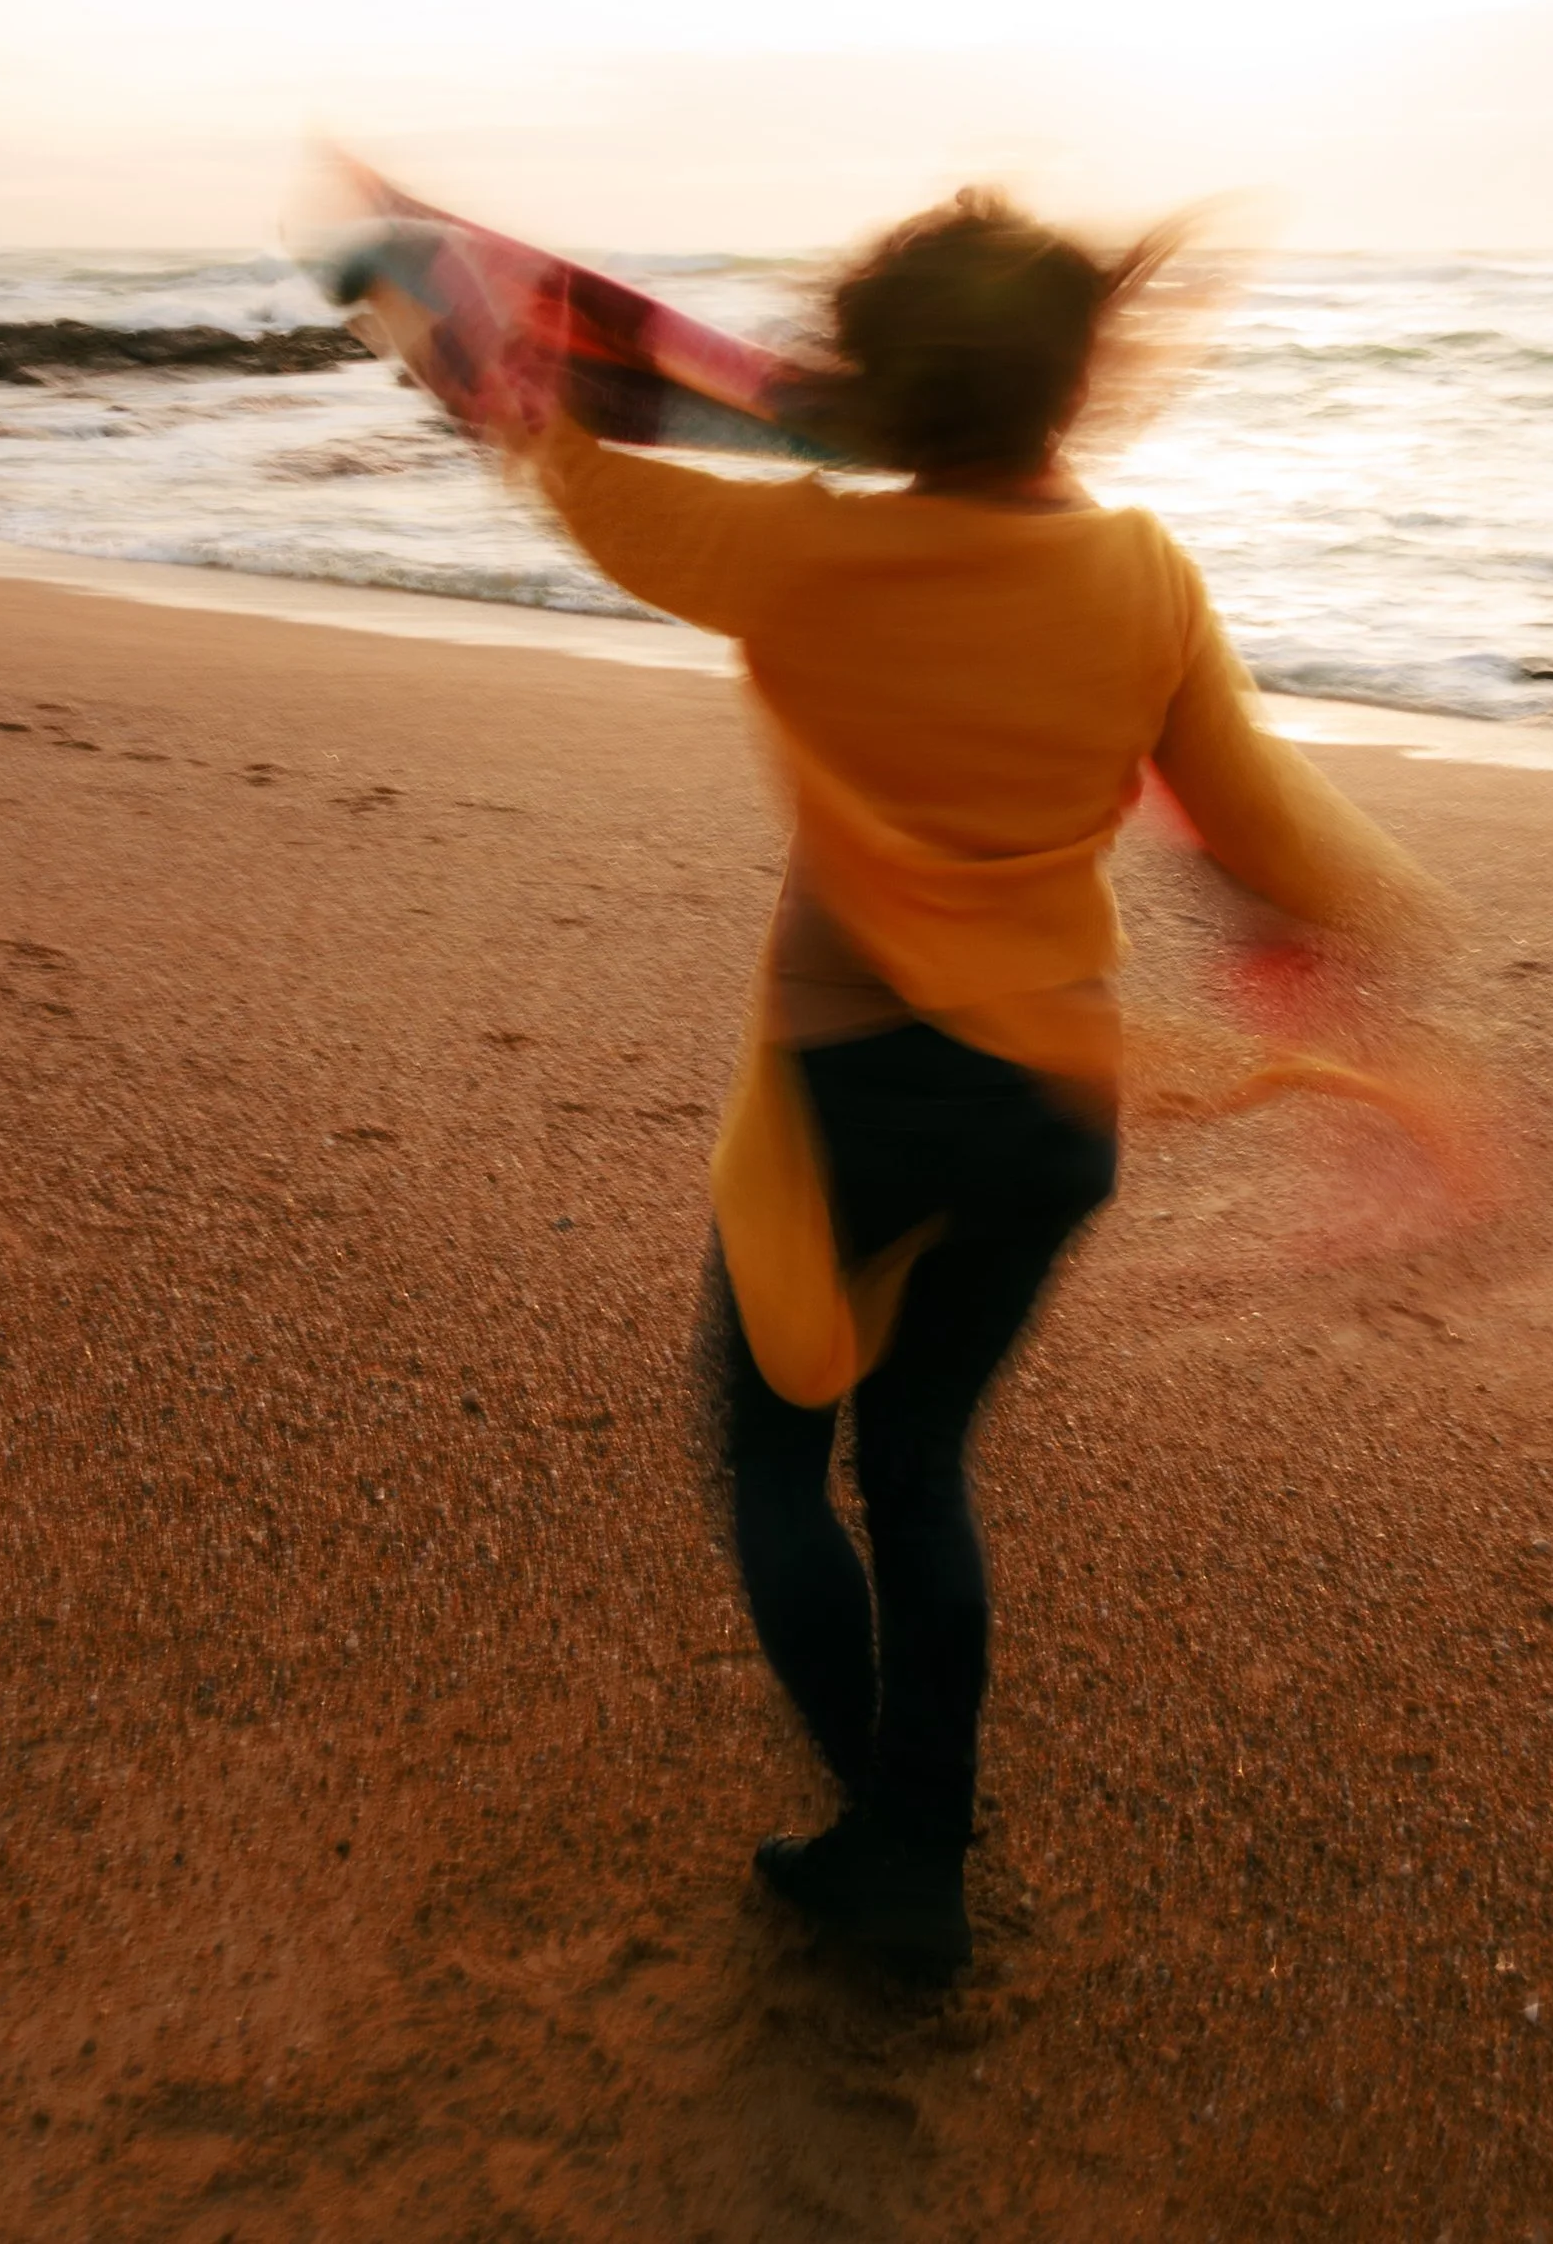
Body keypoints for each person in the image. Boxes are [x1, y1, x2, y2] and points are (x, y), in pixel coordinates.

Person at [504, 192, 1443, 1979]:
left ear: (867, 385)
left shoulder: (796, 557)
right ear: (1075, 387)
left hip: (840, 1096)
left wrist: (516, 359)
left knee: (779, 1468)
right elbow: (1256, 824)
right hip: (1046, 1107)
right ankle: (914, 1829)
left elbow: (593, 489)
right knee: (920, 1463)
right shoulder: (1148, 571)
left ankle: (903, 1837)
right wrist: (1367, 923)